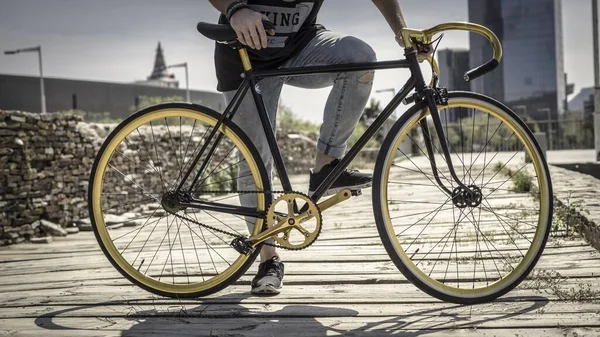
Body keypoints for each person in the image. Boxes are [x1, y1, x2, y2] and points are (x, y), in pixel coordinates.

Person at [208, 0, 432, 295]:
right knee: (255, 161)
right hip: (243, 50)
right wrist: (235, 9)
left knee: (358, 58)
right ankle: (268, 259)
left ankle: (326, 166)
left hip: (301, 46)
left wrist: (402, 30)